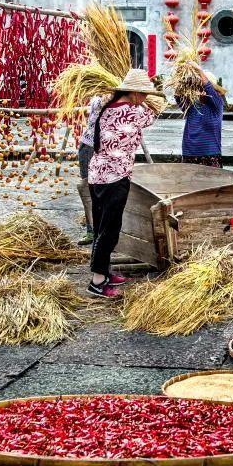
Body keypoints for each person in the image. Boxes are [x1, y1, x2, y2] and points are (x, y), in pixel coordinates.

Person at [86, 69, 160, 297]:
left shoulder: (104, 105)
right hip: (115, 177)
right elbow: (153, 115)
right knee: (110, 229)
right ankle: (97, 281)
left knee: (100, 226)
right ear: (135, 93)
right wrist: (156, 101)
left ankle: (105, 272)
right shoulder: (134, 112)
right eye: (144, 94)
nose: (146, 98)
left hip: (96, 174)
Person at [178, 66, 226, 168]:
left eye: (203, 87)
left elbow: (208, 86)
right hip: (189, 154)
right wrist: (183, 73)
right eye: (198, 87)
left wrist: (198, 70)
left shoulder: (217, 103)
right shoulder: (191, 105)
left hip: (210, 154)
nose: (202, 90)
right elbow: (178, 94)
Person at [75, 94, 104, 246]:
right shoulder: (100, 99)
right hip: (90, 147)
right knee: (90, 189)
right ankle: (91, 230)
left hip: (107, 149)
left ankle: (101, 229)